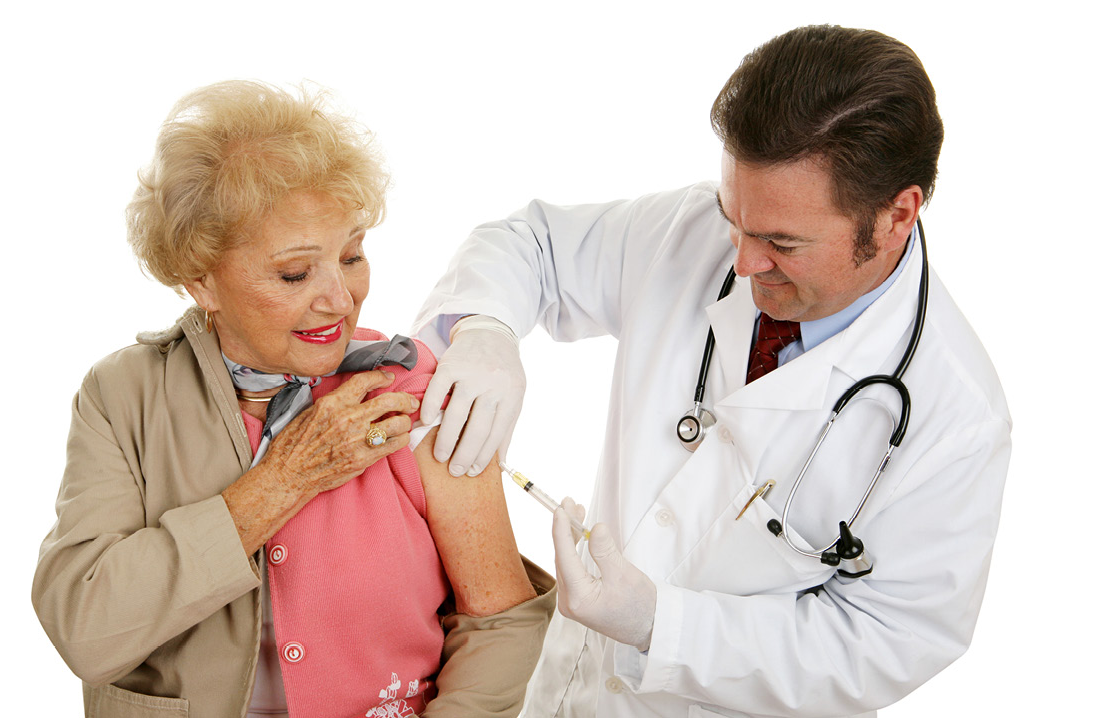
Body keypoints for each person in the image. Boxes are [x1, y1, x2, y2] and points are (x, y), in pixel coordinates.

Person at [413, 25, 1011, 718]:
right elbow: (532, 244)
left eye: (782, 243)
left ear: (896, 216)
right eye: (736, 221)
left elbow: (884, 643)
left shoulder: (956, 414)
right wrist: (486, 329)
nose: (741, 262)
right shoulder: (695, 231)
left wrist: (659, 625)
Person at [32, 80, 555, 718]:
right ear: (202, 280)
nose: (340, 298)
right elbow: (87, 626)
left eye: (353, 255)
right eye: (294, 273)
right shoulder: (124, 397)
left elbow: (500, 620)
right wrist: (285, 479)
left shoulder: (410, 389)